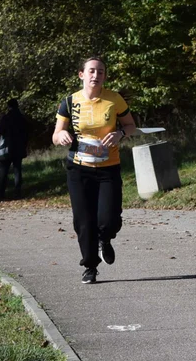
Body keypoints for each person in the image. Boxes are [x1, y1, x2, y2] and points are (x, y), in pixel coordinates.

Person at [53, 57, 136, 284]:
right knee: (83, 220)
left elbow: (131, 125)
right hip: (79, 169)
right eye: (91, 71)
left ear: (104, 76)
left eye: (100, 72)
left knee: (109, 219)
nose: (95, 75)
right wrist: (62, 136)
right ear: (81, 74)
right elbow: (56, 133)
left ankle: (105, 238)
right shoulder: (69, 102)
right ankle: (90, 266)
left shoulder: (114, 99)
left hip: (109, 168)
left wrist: (120, 133)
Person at [0, 98, 29, 199]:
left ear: (8, 106)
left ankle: (1, 193)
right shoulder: (22, 118)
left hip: (6, 147)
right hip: (19, 147)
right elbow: (26, 133)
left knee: (3, 171)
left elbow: (0, 130)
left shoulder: (6, 118)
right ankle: (17, 192)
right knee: (17, 170)